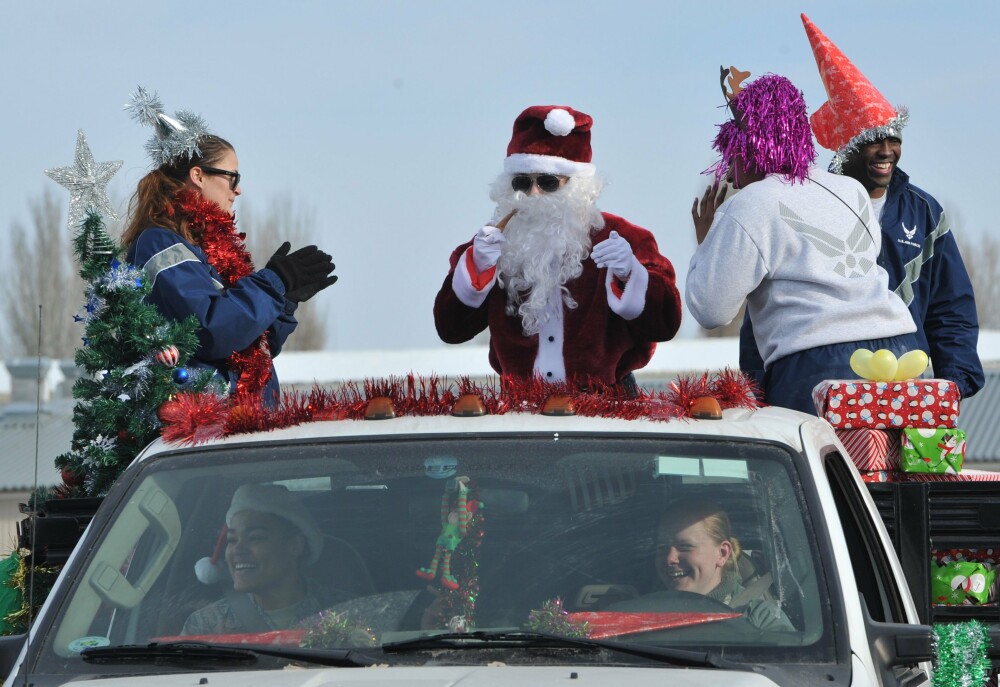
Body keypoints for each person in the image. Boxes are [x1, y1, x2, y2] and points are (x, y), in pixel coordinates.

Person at [686, 72, 919, 414]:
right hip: (899, 357)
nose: (730, 172)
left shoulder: (751, 203)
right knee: (890, 466)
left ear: (751, 149)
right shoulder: (850, 190)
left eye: (731, 154)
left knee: (815, 468)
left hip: (816, 362)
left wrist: (707, 245)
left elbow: (710, 309)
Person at [796, 14, 983, 399]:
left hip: (908, 393)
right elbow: (767, 307)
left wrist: (954, 384)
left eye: (894, 138)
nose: (887, 151)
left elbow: (951, 310)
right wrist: (758, 390)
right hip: (822, 391)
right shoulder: (807, 208)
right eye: (873, 139)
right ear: (847, 146)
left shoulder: (925, 213)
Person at [433, 105, 682, 390]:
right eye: (522, 182)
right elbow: (450, 330)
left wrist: (631, 277)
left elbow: (665, 325)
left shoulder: (623, 239)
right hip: (521, 413)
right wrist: (476, 270)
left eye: (549, 182)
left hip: (609, 410)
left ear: (577, 186)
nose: (533, 193)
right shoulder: (491, 245)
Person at [121, 88, 337, 405]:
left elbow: (247, 347)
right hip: (205, 429)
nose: (239, 190)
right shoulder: (160, 242)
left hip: (242, 422)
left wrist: (283, 301)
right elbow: (212, 330)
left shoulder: (210, 248)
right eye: (232, 177)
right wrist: (272, 283)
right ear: (198, 175)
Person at [182, 483, 342, 635]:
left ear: (295, 545)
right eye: (231, 540)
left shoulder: (346, 613)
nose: (237, 549)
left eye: (255, 538)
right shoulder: (205, 625)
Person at [652, 498, 794, 632]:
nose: (669, 558)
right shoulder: (640, 613)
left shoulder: (761, 621)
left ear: (722, 553)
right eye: (661, 548)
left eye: (685, 547)